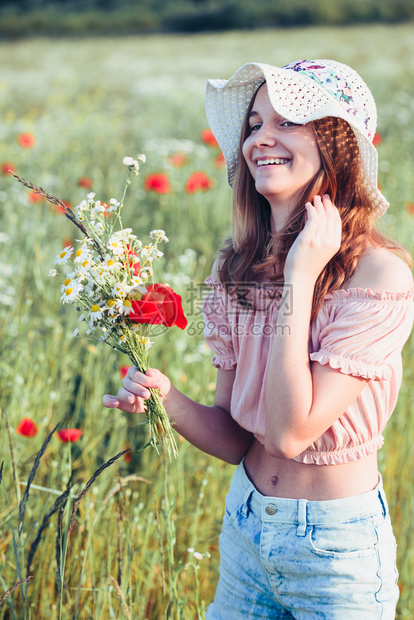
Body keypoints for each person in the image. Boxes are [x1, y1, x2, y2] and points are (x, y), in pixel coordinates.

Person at [103, 59, 414, 618]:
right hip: (245, 528)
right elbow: (236, 439)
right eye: (252, 125)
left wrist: (299, 276)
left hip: (334, 550)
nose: (260, 139)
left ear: (336, 143)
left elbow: (289, 433)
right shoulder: (233, 270)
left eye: (288, 121)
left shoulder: (380, 276)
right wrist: (167, 399)